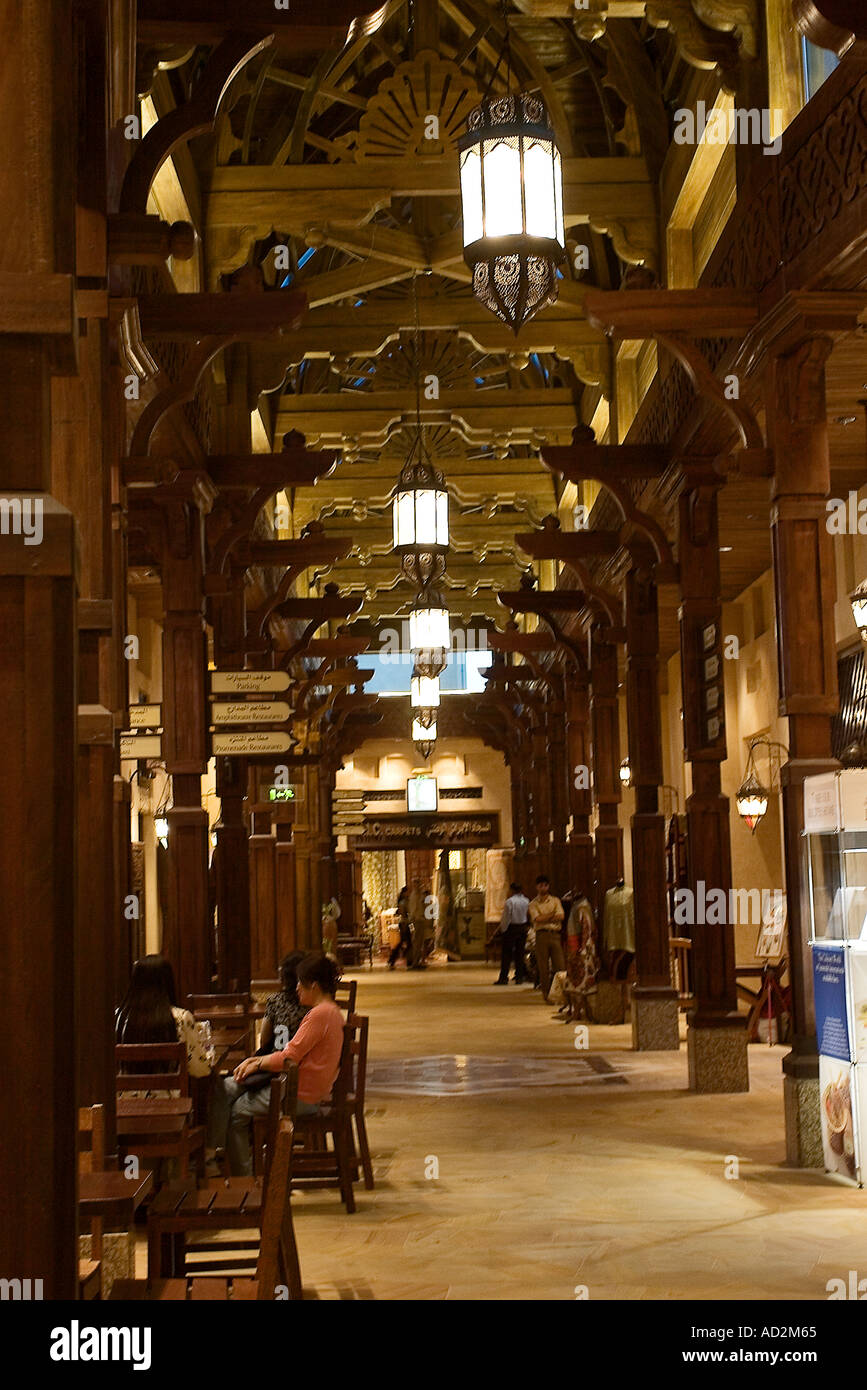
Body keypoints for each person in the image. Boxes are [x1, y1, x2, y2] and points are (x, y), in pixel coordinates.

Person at [208, 953, 345, 1176]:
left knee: (236, 1112)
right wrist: (257, 1061)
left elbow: (288, 1057)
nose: (297, 987)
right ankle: (234, 1168)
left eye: (301, 983)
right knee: (231, 1092)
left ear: (315, 986)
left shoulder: (319, 1015)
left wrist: (257, 1063)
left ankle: (245, 1179)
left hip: (298, 1095)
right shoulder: (333, 1012)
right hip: (306, 1090)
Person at [116, 954, 213, 1097]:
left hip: (123, 1102)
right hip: (169, 1102)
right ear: (168, 982)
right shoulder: (180, 1018)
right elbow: (200, 1069)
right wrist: (209, 1053)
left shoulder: (118, 1018)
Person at [259, 951, 308, 1054]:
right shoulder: (312, 1002)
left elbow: (264, 1040)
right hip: (305, 1060)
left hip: (277, 1059)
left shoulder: (275, 1001)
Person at [529, 875, 566, 1002]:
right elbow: (537, 919)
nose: (543, 888)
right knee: (543, 967)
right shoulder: (533, 903)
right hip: (541, 936)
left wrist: (545, 917)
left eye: (545, 885)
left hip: (555, 935)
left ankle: (561, 993)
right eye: (540, 885)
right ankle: (546, 994)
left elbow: (561, 916)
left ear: (548, 886)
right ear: (537, 887)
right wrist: (552, 915)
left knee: (560, 966)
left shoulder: (555, 900)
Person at [493, 882, 530, 985]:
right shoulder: (526, 900)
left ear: (512, 890)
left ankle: (504, 978)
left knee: (507, 954)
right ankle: (519, 977)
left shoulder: (510, 902)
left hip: (511, 928)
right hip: (522, 927)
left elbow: (506, 918)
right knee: (520, 953)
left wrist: (503, 930)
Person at [388, 886, 412, 969]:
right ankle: (395, 959)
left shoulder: (404, 901)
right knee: (406, 943)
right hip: (404, 924)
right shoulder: (403, 902)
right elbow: (403, 913)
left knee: (405, 942)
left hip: (404, 923)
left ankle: (393, 959)